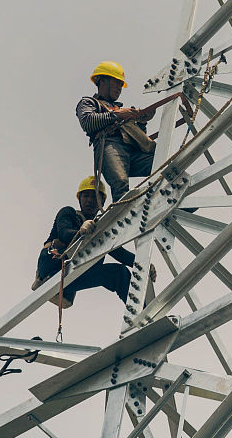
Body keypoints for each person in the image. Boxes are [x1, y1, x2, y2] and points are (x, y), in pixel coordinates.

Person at [33, 176, 134, 306]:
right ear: (79, 199)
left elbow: (117, 251)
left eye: (95, 197)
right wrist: (80, 232)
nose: (90, 201)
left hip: (71, 275)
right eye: (86, 196)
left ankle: (142, 313)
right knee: (88, 246)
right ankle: (43, 281)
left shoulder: (100, 229)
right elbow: (64, 233)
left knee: (118, 273)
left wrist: (140, 263)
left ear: (102, 203)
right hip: (52, 266)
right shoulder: (68, 213)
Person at [76, 61, 154, 199]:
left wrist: (141, 122)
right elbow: (87, 122)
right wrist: (116, 115)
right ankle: (124, 216)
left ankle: (169, 196)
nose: (119, 88)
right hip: (110, 145)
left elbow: (138, 138)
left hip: (131, 150)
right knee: (120, 185)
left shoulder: (121, 109)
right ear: (103, 81)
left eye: (121, 84)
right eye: (116, 82)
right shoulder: (89, 102)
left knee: (160, 162)